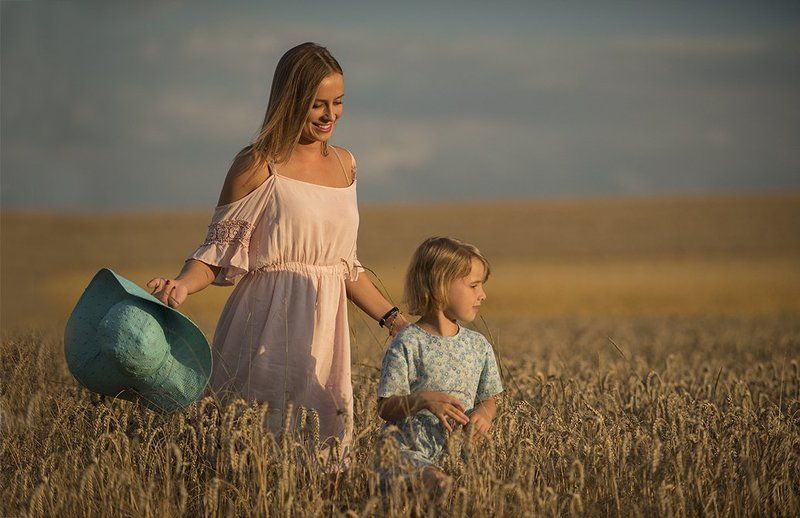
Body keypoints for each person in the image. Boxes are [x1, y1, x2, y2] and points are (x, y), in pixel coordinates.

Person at [146, 42, 408, 465]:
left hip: (326, 339)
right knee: (253, 457)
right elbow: (216, 251)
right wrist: (182, 285)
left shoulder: (347, 165)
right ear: (290, 100)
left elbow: (345, 266)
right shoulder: (257, 164)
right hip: (264, 325)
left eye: (338, 103)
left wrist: (395, 321)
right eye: (317, 104)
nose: (330, 115)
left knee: (326, 458)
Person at [376, 236, 503, 493]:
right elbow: (385, 407)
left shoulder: (478, 346)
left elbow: (490, 398)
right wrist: (422, 400)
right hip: (406, 455)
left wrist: (484, 415)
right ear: (440, 287)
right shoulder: (408, 342)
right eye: (474, 286)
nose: (483, 295)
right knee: (439, 486)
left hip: (459, 455)